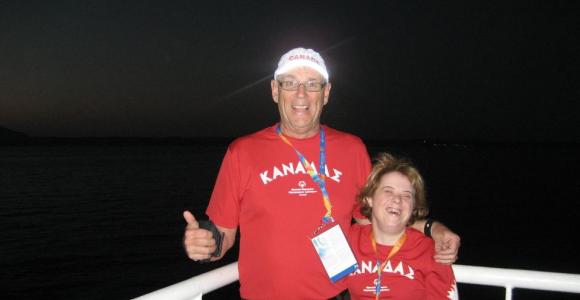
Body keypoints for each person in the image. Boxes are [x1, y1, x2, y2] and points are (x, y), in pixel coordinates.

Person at [182, 47, 460, 299]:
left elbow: (379, 217)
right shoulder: (241, 151)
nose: (301, 94)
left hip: (336, 295)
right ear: (274, 91)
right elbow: (224, 234)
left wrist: (432, 228)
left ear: (326, 93)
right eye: (290, 83)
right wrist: (205, 245)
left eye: (312, 84)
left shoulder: (351, 149)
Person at [344, 152, 458, 299]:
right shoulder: (350, 239)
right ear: (370, 199)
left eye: (406, 195)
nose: (397, 200)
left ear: (413, 207)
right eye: (388, 191)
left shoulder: (432, 252)